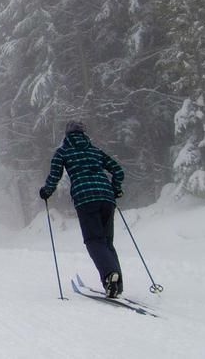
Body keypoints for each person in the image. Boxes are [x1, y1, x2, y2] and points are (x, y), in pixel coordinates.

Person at [39, 121, 126, 298]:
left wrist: (46, 192)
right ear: (83, 134)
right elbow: (118, 170)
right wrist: (115, 189)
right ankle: (117, 284)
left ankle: (110, 276)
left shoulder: (63, 152)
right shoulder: (95, 151)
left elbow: (55, 176)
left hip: (85, 198)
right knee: (107, 242)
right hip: (107, 197)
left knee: (94, 240)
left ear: (67, 135)